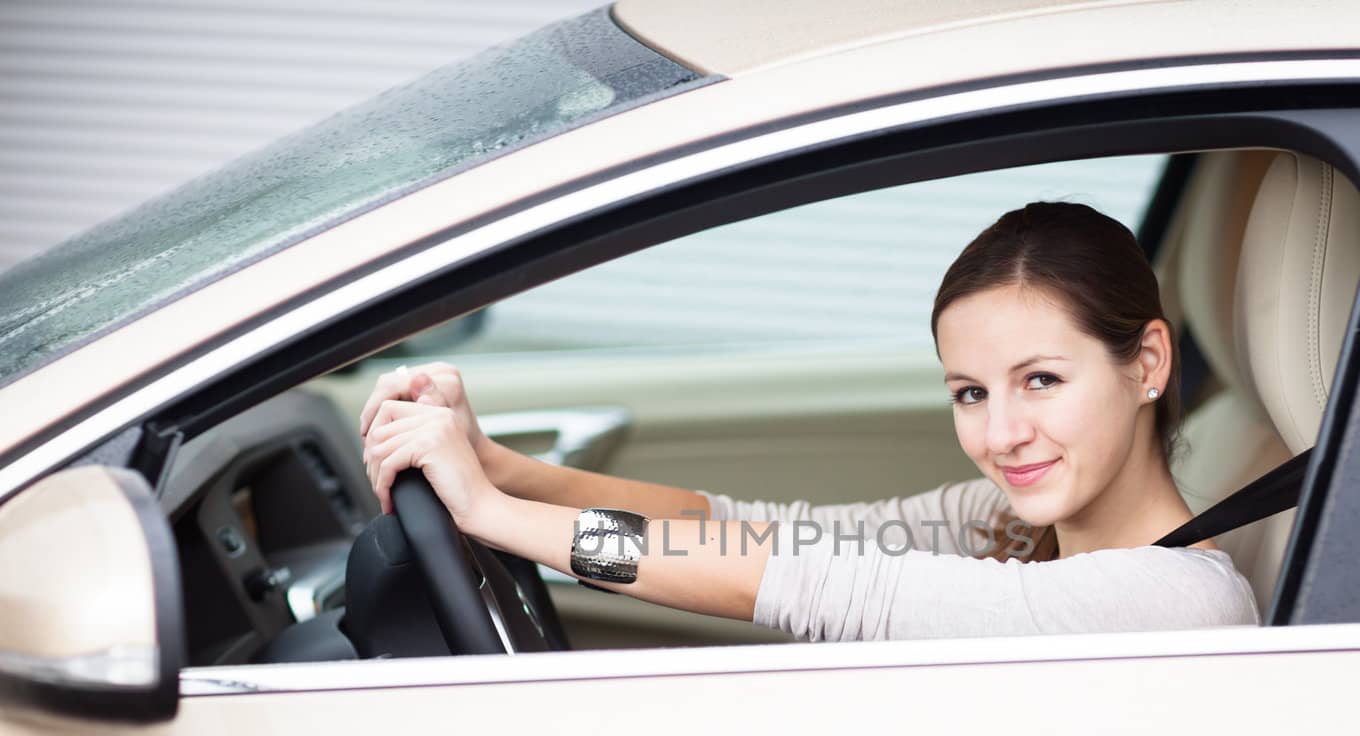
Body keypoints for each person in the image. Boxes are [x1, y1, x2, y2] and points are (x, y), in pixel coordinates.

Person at [359, 201, 1259, 641]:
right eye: (971, 393)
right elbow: (743, 531)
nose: (1001, 434)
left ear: (1145, 363)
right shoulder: (1004, 525)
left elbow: (804, 580)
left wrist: (497, 519)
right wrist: (498, 466)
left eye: (1042, 380)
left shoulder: (1176, 598)